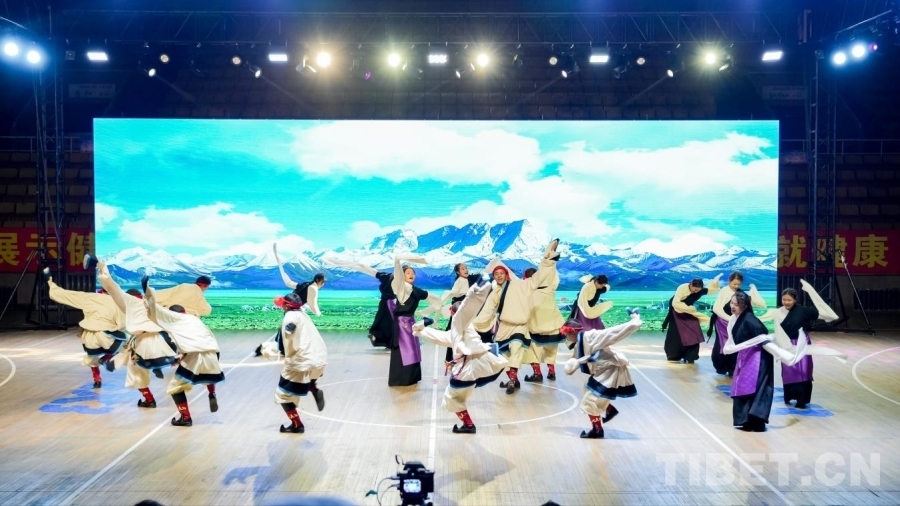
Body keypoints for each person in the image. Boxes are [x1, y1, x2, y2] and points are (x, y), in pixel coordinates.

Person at [413, 281, 508, 434]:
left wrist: (420, 329)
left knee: (452, 399)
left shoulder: (460, 327)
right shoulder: (467, 329)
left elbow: (445, 334)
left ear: (454, 313)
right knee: (455, 399)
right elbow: (443, 336)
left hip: (464, 374)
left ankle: (469, 425)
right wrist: (421, 328)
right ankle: (468, 425)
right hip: (474, 372)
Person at [89, 254, 179, 409]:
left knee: (135, 371)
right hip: (163, 341)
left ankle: (149, 399)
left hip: (144, 342)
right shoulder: (152, 304)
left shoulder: (129, 303)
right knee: (134, 354)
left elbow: (112, 287)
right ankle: (159, 364)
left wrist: (100, 265)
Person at [473, 239, 561, 395]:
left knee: (516, 350)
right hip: (504, 328)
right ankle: (515, 379)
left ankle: (513, 382)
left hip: (520, 327)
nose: (499, 276)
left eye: (501, 273)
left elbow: (539, 276)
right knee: (501, 356)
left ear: (506, 275)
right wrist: (472, 325)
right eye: (496, 274)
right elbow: (486, 312)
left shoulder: (521, 285)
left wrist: (548, 260)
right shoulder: (495, 293)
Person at [143, 276, 224, 427]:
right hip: (213, 351)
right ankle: (211, 392)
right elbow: (207, 311)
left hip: (194, 353)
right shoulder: (196, 320)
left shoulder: (173, 320)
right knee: (208, 375)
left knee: (175, 388)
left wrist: (147, 293)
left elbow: (157, 308)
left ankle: (185, 418)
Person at [562, 309, 644, 439]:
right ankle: (609, 410)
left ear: (571, 331)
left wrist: (635, 320)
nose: (566, 337)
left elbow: (615, 332)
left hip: (611, 369)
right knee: (587, 388)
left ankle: (597, 430)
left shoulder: (592, 336)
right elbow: (576, 359)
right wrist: (572, 365)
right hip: (603, 371)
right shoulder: (579, 343)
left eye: (566, 334)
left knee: (589, 400)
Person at [44, 268, 126, 388]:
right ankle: (106, 358)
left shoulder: (90, 297)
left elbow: (64, 295)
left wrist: (50, 282)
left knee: (91, 358)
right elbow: (123, 323)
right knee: (125, 343)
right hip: (106, 338)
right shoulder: (118, 302)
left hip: (89, 340)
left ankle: (97, 379)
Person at [764, 280, 840, 409]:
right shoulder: (777, 312)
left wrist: (811, 291)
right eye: (784, 300)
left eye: (789, 300)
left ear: (795, 300)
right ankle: (790, 396)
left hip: (801, 344)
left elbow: (830, 316)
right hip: (786, 345)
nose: (786, 302)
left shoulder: (803, 311)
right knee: (789, 371)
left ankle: (802, 400)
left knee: (804, 371)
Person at [259, 292, 327, 433]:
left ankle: (297, 425)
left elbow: (286, 342)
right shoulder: (304, 315)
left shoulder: (289, 318)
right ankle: (313, 387)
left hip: (301, 363)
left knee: (283, 396)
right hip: (319, 359)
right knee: (303, 381)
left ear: (286, 306)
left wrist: (264, 350)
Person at [388, 254, 442, 386]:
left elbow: (434, 298)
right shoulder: (400, 288)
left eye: (413, 273)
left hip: (411, 322)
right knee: (406, 350)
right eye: (408, 273)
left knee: (414, 349)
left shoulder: (417, 291)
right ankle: (402, 378)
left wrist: (439, 307)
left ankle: (412, 377)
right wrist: (397, 261)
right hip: (401, 324)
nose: (411, 274)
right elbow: (397, 275)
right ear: (402, 276)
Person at [321, 257, 394, 348]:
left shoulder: (387, 276)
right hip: (392, 304)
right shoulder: (399, 281)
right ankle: (386, 341)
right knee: (391, 322)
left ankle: (377, 336)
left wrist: (337, 262)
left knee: (382, 320)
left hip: (383, 302)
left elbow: (366, 268)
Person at [709, 272, 766, 376]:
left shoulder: (740, 293)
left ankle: (733, 368)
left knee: (737, 344)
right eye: (734, 284)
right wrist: (730, 319)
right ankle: (723, 366)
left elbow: (752, 305)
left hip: (735, 322)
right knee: (723, 344)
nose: (736, 286)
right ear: (729, 281)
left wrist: (753, 290)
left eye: (738, 284)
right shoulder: (724, 291)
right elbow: (717, 309)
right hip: (722, 322)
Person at [662, 275, 721, 364]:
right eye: (695, 289)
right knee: (677, 333)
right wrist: (690, 309)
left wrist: (715, 282)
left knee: (694, 331)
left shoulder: (699, 291)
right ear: (690, 284)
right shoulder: (682, 288)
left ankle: (690, 356)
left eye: (698, 290)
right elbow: (675, 303)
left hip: (689, 311)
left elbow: (712, 290)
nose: (696, 291)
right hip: (678, 311)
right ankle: (674, 355)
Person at [521, 266, 565, 382]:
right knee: (551, 352)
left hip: (536, 328)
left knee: (533, 353)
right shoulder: (550, 288)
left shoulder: (526, 293)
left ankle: (537, 374)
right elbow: (555, 277)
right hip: (553, 327)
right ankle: (551, 372)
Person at [274, 243, 325, 317]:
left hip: (288, 304)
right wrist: (319, 315)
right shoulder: (313, 288)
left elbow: (288, 283)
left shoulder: (305, 284)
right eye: (323, 282)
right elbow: (312, 304)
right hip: (294, 308)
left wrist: (280, 267)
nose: (323, 285)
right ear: (318, 281)